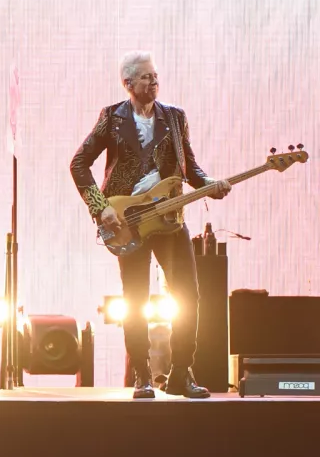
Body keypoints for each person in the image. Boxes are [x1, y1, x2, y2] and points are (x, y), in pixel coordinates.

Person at [70, 51, 231, 399]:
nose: (153, 81)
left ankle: (181, 373)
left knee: (188, 296)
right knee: (135, 299)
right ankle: (142, 374)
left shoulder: (175, 117)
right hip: (129, 221)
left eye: (155, 75)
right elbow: (79, 163)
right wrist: (100, 208)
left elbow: (190, 168)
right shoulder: (112, 118)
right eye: (145, 76)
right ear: (128, 83)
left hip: (170, 219)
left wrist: (209, 184)